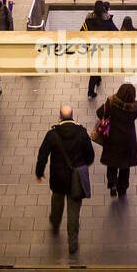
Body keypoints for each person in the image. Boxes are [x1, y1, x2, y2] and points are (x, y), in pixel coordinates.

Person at [35, 105, 95, 255]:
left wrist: (39, 172)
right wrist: (83, 165)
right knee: (73, 210)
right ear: (72, 116)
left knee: (57, 200)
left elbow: (42, 155)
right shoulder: (82, 133)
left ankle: (55, 222)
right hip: (76, 179)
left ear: (60, 117)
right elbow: (90, 155)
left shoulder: (52, 134)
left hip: (58, 177)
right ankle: (73, 241)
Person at [96, 82, 137, 198]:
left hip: (113, 138)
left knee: (112, 163)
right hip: (128, 141)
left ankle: (112, 184)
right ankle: (122, 188)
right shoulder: (135, 108)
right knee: (125, 166)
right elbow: (136, 110)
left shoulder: (112, 103)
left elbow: (99, 112)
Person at [84, 0, 116, 98]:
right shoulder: (107, 20)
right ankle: (90, 92)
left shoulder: (88, 20)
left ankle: (98, 79)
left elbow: (82, 32)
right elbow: (116, 32)